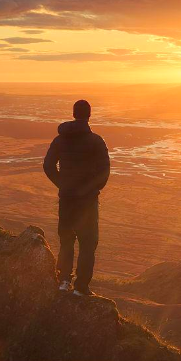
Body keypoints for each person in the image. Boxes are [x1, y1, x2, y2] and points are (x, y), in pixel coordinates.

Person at [43, 100, 110, 296]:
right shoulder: (97, 141)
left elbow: (48, 165)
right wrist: (93, 189)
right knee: (88, 243)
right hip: (88, 202)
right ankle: (81, 288)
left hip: (67, 199)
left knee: (66, 240)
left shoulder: (60, 140)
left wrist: (62, 185)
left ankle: (63, 281)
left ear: (73, 114)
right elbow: (104, 171)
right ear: (89, 115)